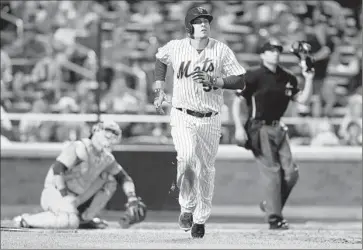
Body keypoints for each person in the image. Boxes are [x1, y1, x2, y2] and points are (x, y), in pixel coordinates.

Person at [153, 6, 246, 238]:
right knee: (185, 157)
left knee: (206, 169)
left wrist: (217, 80)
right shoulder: (176, 47)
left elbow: (241, 80)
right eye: (198, 20)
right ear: (189, 26)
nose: (203, 24)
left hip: (211, 118)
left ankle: (201, 217)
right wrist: (159, 89)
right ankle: (187, 207)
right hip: (182, 113)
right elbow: (160, 59)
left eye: (206, 20)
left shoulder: (220, 50)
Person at [231, 40, 315, 230]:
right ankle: (274, 218)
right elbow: (238, 102)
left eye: (277, 50)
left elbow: (303, 101)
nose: (274, 53)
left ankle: (271, 205)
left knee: (291, 173)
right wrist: (238, 127)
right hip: (258, 127)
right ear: (262, 55)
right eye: (269, 50)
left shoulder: (288, 77)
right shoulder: (252, 75)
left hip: (279, 127)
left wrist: (309, 78)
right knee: (273, 172)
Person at [13, 120, 147, 229]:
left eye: (114, 134)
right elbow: (57, 170)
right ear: (96, 131)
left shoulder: (107, 158)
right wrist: (64, 194)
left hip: (77, 198)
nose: (111, 136)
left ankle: (85, 219)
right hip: (56, 192)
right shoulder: (80, 147)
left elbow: (124, 178)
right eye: (108, 132)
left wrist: (132, 198)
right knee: (68, 222)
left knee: (109, 179)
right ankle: (25, 220)